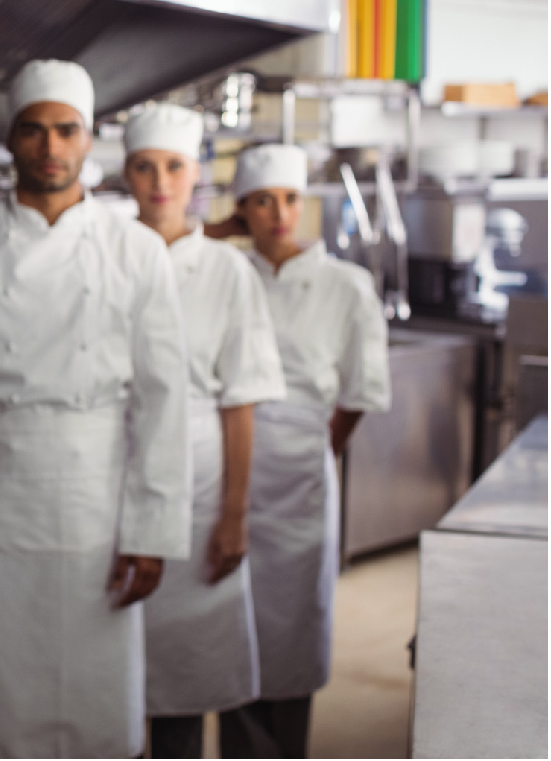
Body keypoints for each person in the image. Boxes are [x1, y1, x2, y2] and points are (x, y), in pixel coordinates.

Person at [0, 60, 191, 758]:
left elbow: (162, 394)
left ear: (88, 139)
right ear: (10, 140)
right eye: (33, 131)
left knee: (97, 691)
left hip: (98, 494)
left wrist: (152, 527)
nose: (50, 147)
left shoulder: (134, 250)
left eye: (65, 130)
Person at [217, 143, 391, 758]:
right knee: (228, 623)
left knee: (292, 623)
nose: (278, 213)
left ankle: (285, 747)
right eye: (261, 201)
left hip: (299, 476)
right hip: (227, 469)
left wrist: (316, 451)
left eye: (290, 199)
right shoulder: (226, 272)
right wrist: (216, 230)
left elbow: (361, 389)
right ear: (241, 211)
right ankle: (240, 745)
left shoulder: (347, 284)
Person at [122, 105, 286, 758]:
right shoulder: (105, 254)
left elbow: (239, 399)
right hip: (113, 471)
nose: (159, 182)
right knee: (105, 667)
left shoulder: (227, 271)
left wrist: (234, 516)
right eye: (144, 166)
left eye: (173, 167)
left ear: (196, 176)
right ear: (125, 174)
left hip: (200, 480)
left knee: (185, 672)